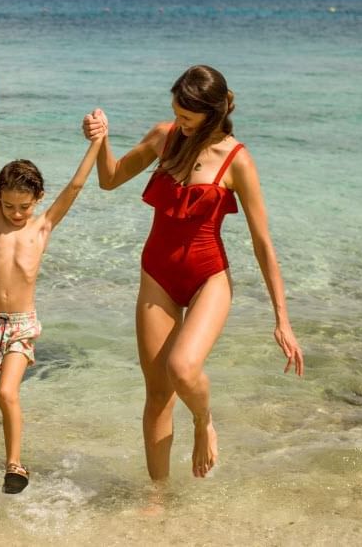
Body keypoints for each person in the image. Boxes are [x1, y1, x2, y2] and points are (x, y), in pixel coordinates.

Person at [82, 65, 304, 481]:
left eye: (187, 118)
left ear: (213, 113)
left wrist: (282, 319)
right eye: (176, 113)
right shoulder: (164, 137)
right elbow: (110, 179)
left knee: (183, 368)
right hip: (157, 274)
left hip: (208, 277)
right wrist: (101, 139)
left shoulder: (237, 160)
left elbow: (263, 244)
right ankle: (158, 496)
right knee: (158, 395)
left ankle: (204, 421)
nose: (179, 124)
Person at [0, 87, 104, 494]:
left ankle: (15, 464)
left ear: (37, 200)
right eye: (9, 205)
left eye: (24, 206)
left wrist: (96, 143)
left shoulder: (42, 227)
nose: (16, 213)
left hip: (22, 325)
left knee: (7, 392)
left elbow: (75, 187)